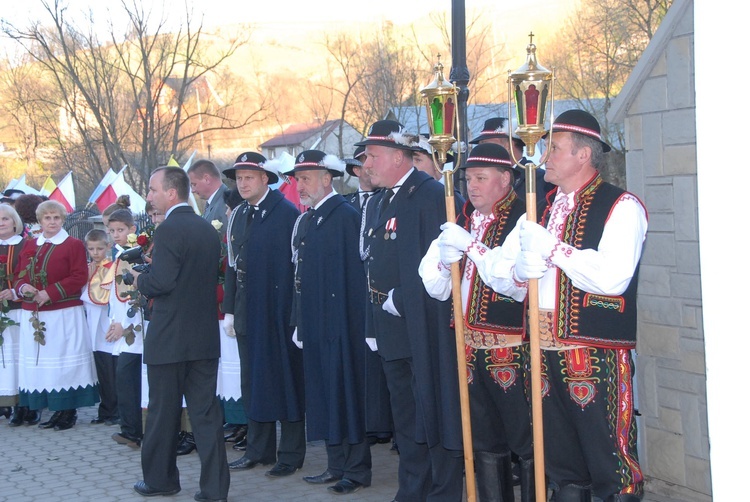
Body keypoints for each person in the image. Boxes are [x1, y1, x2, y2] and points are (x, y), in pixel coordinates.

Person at [486, 109, 647, 501]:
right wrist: (519, 274)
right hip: (540, 352)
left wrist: (554, 249)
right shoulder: (538, 208)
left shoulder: (621, 205)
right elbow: (499, 276)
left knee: (611, 464)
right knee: (561, 464)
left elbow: (612, 278)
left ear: (583, 155)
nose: (544, 157)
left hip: (593, 355)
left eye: (554, 148)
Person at [419, 143, 536, 502]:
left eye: (481, 178)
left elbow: (510, 279)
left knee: (527, 441)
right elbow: (434, 286)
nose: (472, 186)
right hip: (470, 348)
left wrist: (470, 246)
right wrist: (442, 257)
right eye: (469, 178)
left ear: (505, 179)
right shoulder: (463, 218)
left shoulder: (524, 217)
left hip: (514, 350)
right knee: (483, 439)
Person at [357, 119, 464, 501]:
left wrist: (401, 299)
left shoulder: (430, 194)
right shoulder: (384, 199)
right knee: (406, 418)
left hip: (425, 327)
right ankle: (412, 490)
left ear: (400, 157)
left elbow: (447, 262)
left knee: (434, 412)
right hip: (392, 330)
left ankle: (443, 491)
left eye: (373, 156)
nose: (366, 164)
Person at [130, 166, 229, 501]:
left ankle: (161, 481)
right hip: (203, 338)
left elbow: (162, 282)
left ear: (171, 193)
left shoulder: (170, 229)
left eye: (152, 189)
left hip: (170, 337)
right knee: (206, 416)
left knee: (162, 415)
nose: (148, 196)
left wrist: (137, 279)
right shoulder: (206, 229)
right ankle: (215, 489)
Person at [289, 150, 372, 495]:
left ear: (327, 178)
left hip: (342, 325)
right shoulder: (309, 219)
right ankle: (335, 462)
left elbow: (356, 278)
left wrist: (348, 325)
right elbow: (300, 276)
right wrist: (299, 322)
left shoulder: (344, 215)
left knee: (346, 392)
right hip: (316, 322)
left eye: (306, 178)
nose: (300, 186)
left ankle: (356, 469)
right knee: (325, 393)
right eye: (298, 179)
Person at [221, 152, 305, 477]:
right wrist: (229, 309)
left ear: (265, 179)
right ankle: (259, 450)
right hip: (247, 312)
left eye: (249, 177)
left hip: (279, 312)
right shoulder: (238, 215)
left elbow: (295, 269)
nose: (242, 183)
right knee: (253, 382)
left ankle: (291, 453)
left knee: (285, 380)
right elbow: (231, 265)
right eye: (239, 178)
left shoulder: (285, 213)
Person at [13, 200, 99, 431]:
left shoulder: (72, 245)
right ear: (40, 221)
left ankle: (67, 410)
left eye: (56, 218)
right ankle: (52, 409)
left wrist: (49, 293)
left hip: (63, 313)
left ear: (63, 220)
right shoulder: (30, 245)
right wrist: (24, 289)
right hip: (35, 315)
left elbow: (79, 276)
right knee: (44, 364)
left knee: (63, 362)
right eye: (47, 218)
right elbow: (19, 276)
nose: (52, 222)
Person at [343, 148, 395, 450]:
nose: (366, 169)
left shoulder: (385, 202)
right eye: (361, 165)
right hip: (361, 291)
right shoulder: (351, 204)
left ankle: (390, 428)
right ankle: (373, 423)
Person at [103, 208, 145, 448]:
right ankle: (129, 428)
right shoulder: (118, 255)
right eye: (112, 231)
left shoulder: (133, 256)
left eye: (121, 230)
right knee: (124, 380)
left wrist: (124, 324)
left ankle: (133, 431)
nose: (116, 235)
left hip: (133, 329)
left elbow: (134, 295)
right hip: (121, 327)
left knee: (129, 380)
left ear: (132, 230)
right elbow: (113, 296)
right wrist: (113, 321)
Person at [470, 117, 554, 209]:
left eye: (487, 145)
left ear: (508, 146)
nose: (481, 151)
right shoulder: (479, 184)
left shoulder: (539, 180)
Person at [1, 204, 35, 425]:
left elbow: (31, 274)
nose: (1, 223)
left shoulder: (26, 246)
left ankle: (28, 406)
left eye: (5, 219)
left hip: (19, 310)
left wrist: (14, 291)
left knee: (22, 358)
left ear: (15, 222)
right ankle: (8, 402)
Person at [81, 228, 118, 427]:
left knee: (110, 369)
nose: (95, 253)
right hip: (91, 324)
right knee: (101, 370)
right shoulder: (87, 268)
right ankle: (105, 409)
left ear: (107, 247)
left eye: (99, 249)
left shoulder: (111, 268)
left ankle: (114, 410)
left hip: (105, 323)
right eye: (91, 249)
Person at [187, 159, 230, 228]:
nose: (192, 190)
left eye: (194, 184)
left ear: (207, 179)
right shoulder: (214, 202)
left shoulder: (227, 203)